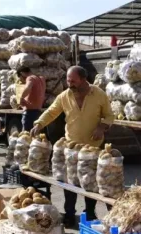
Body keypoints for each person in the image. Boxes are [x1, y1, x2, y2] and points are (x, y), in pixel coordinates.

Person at [31, 66, 114, 225]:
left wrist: (101, 127)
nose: (70, 84)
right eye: (68, 81)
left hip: (93, 148)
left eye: (73, 81)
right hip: (71, 148)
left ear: (83, 80)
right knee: (70, 182)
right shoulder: (65, 95)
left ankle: (90, 213)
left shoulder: (98, 94)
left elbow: (109, 115)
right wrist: (39, 124)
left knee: (90, 183)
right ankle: (69, 214)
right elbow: (51, 111)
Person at [17, 67, 45, 131]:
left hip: (29, 112)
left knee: (25, 135)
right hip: (38, 111)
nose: (21, 81)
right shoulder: (41, 79)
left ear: (22, 74)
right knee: (35, 134)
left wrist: (21, 98)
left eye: (20, 78)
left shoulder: (30, 78)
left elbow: (28, 87)